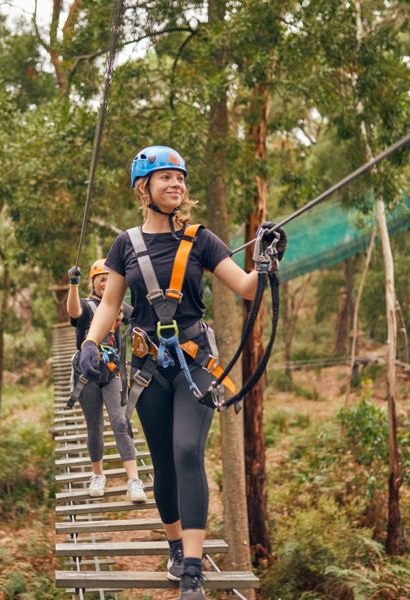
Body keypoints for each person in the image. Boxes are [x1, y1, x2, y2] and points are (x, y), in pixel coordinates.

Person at [77, 146, 280, 600]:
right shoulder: (125, 245)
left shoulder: (201, 239)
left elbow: (246, 287)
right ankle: (173, 546)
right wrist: (90, 343)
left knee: (188, 449)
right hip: (149, 367)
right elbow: (110, 303)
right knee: (164, 464)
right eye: (165, 177)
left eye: (180, 178)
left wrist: (265, 260)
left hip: (195, 364)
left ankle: (192, 569)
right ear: (143, 188)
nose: (176, 185)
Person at [66, 259, 147, 503]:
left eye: (110, 279)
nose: (106, 283)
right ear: (93, 283)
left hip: (113, 375)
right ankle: (97, 475)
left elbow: (143, 320)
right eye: (102, 279)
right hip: (87, 376)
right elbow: (73, 311)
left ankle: (134, 480)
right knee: (95, 427)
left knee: (120, 422)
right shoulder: (88, 307)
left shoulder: (123, 308)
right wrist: (73, 285)